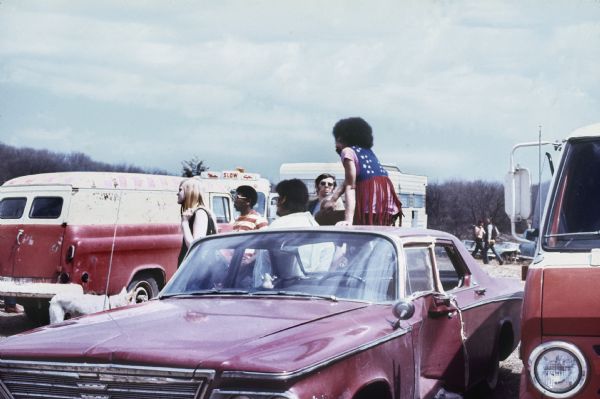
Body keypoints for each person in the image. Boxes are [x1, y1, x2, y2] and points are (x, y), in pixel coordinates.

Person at [323, 117, 402, 226]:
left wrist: (348, 220)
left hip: (370, 199)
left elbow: (350, 186)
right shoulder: (368, 151)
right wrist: (333, 200)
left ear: (341, 138)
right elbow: (349, 180)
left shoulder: (347, 152)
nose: (335, 145)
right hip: (386, 200)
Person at [177, 178, 217, 266]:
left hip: (196, 268)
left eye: (180, 190)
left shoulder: (200, 213)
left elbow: (195, 246)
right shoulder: (197, 213)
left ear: (190, 192)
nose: (177, 193)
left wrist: (185, 223)